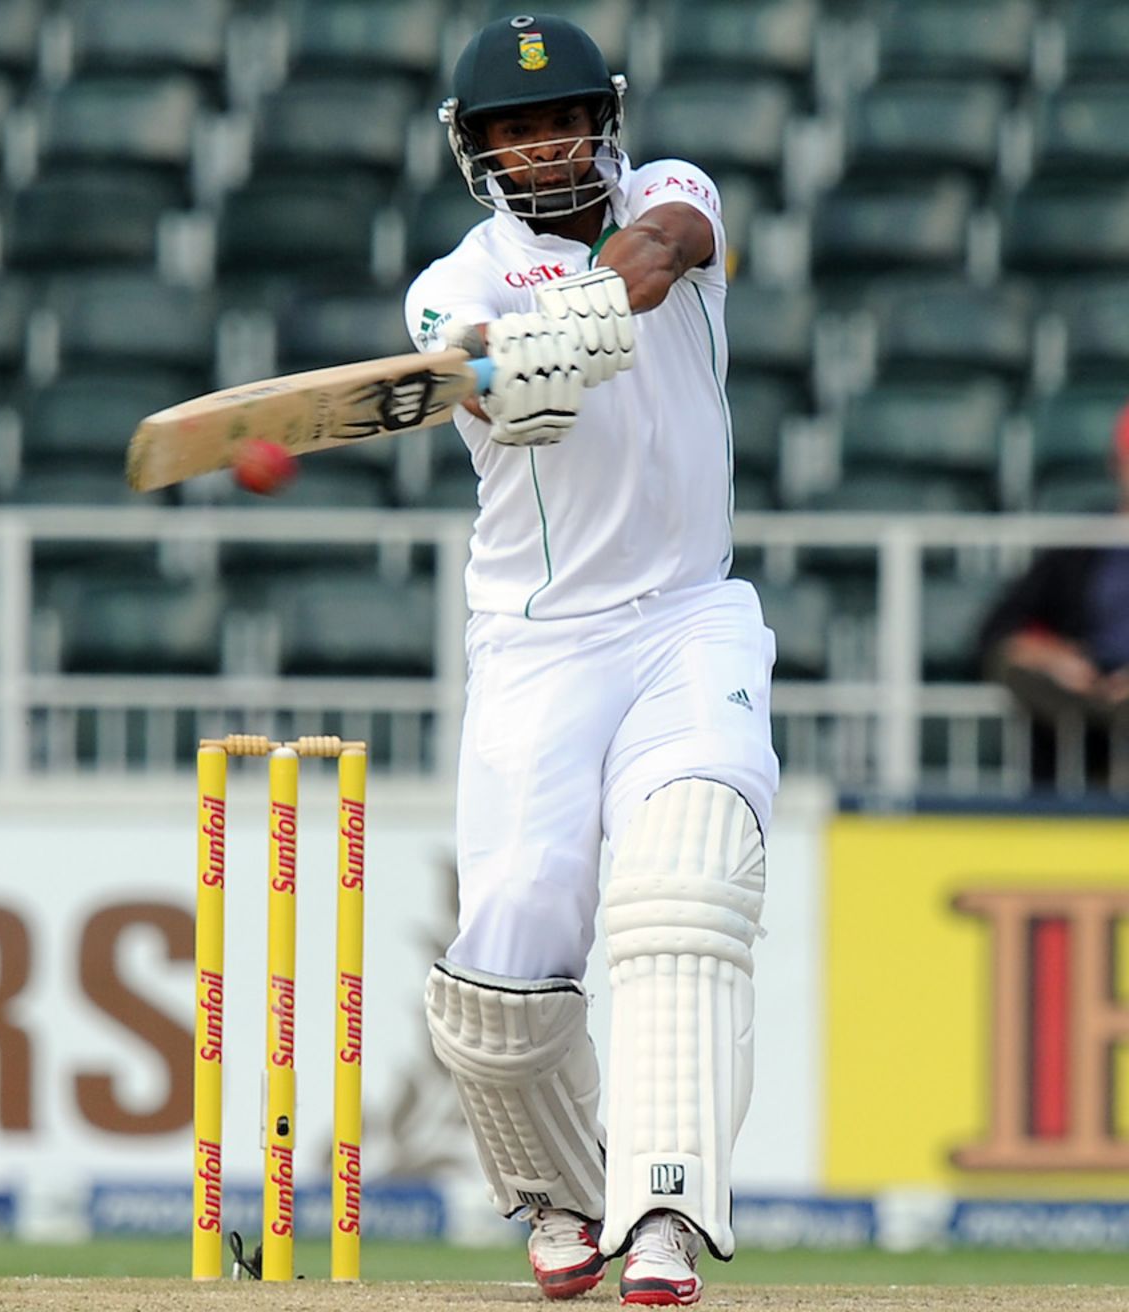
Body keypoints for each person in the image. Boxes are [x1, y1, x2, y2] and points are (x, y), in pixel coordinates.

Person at [403, 15, 779, 1306]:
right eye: (512, 128)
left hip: (688, 616)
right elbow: (518, 403)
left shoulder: (675, 193)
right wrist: (491, 373)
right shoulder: (451, 291)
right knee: (505, 962)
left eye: (562, 116)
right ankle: (561, 1191)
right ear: (477, 151)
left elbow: (661, 259)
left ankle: (665, 1212)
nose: (544, 144)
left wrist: (566, 312)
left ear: (603, 120)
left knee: (685, 889)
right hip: (538, 644)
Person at [978, 402, 1129, 790]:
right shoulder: (1078, 544)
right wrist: (1058, 659)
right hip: (1082, 691)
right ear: (1116, 464)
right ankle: (1097, 769)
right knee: (1014, 667)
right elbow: (998, 629)